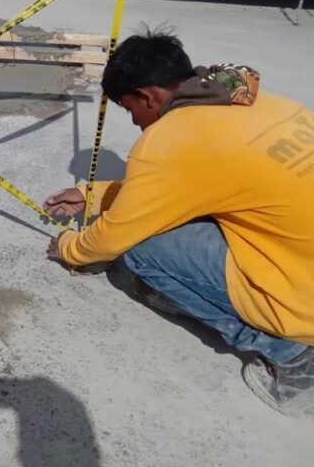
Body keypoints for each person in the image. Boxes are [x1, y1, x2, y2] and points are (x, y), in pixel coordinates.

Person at [43, 32, 314, 414]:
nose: (135, 122)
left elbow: (112, 238)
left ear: (148, 95)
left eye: (129, 108)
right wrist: (93, 195)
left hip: (304, 295)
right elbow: (183, 185)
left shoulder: (170, 139)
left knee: (142, 248)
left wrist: (69, 248)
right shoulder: (252, 100)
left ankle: (294, 355)